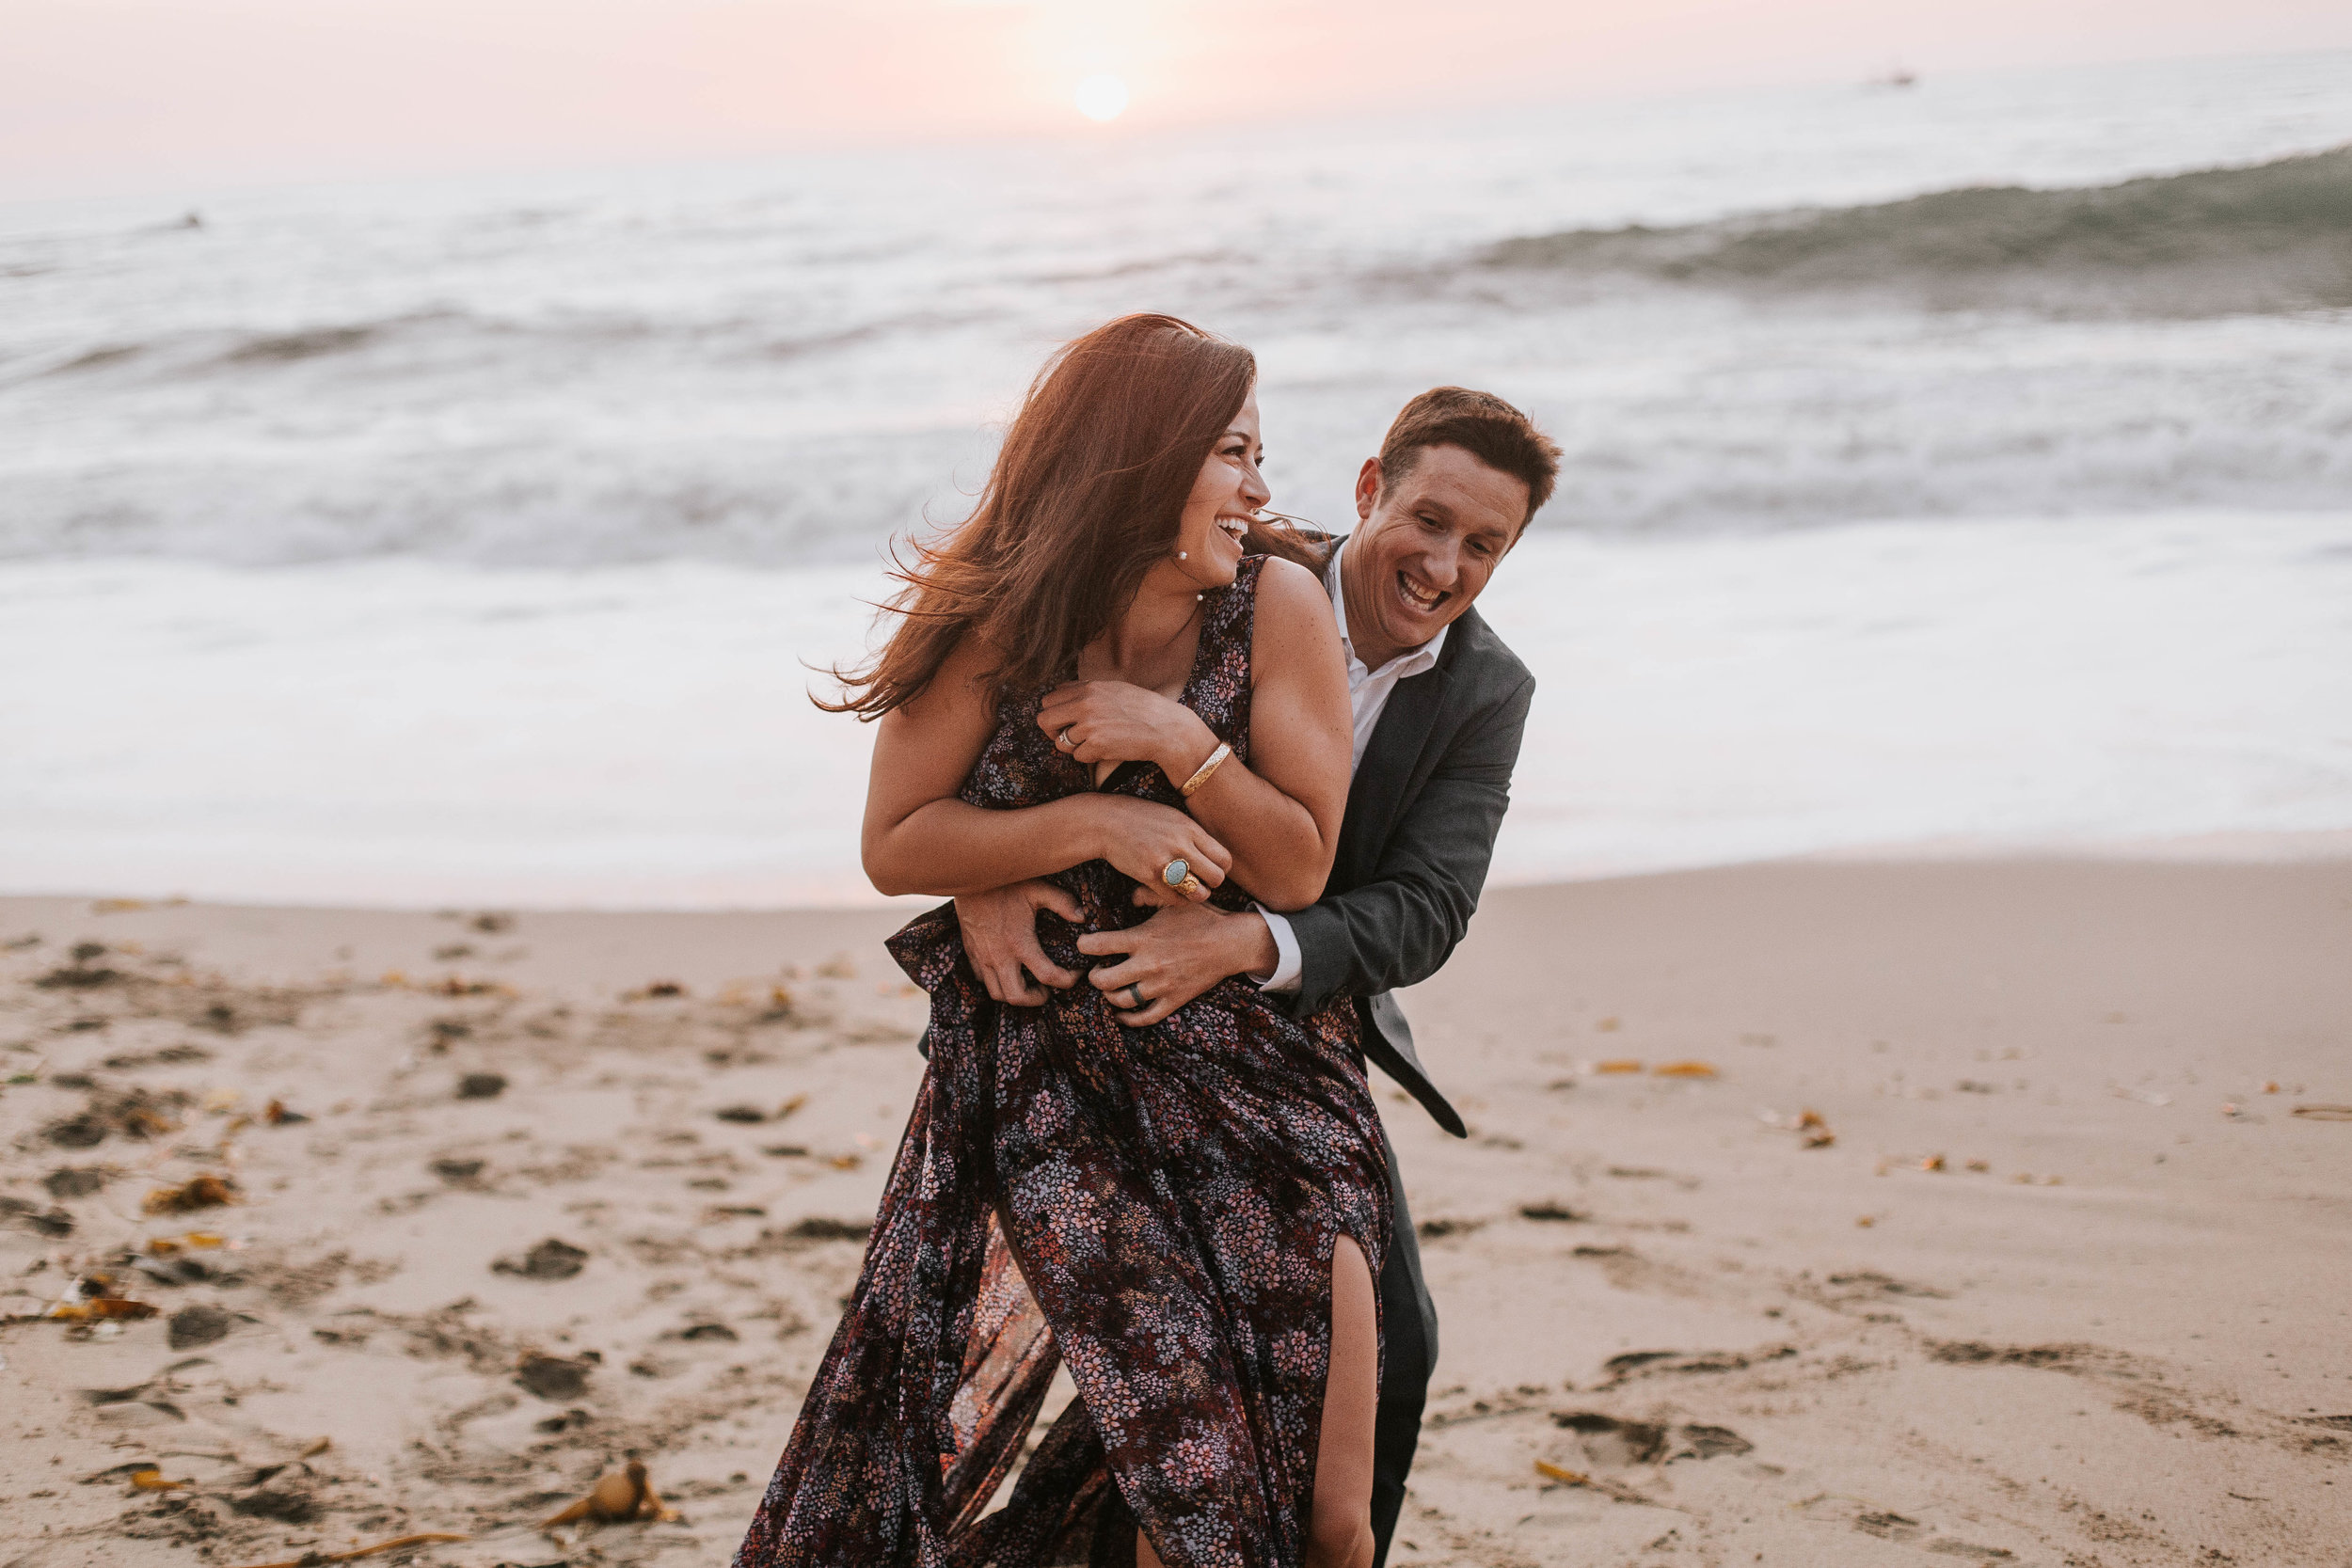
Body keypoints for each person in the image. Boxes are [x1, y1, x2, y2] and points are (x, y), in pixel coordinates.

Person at [734, 313, 1392, 1568]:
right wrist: (1083, 821)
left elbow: (1300, 859)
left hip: (1274, 1086)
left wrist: (1172, 741)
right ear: (1143, 462)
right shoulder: (999, 615)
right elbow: (896, 837)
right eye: (1234, 453)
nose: (1261, 487)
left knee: (1330, 1519)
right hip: (1066, 1095)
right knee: (1196, 1489)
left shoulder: (1281, 603)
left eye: (1261, 455)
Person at [952, 385, 1558, 1564]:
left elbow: (1426, 908)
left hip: (1292, 1035)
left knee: (1394, 1344)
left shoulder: (1488, 690)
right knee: (1161, 1369)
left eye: (1484, 544)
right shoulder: (1224, 568)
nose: (1442, 565)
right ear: (1368, 485)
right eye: (1428, 519)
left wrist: (1250, 942)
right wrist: (985, 867)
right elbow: (1014, 712)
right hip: (1106, 1019)